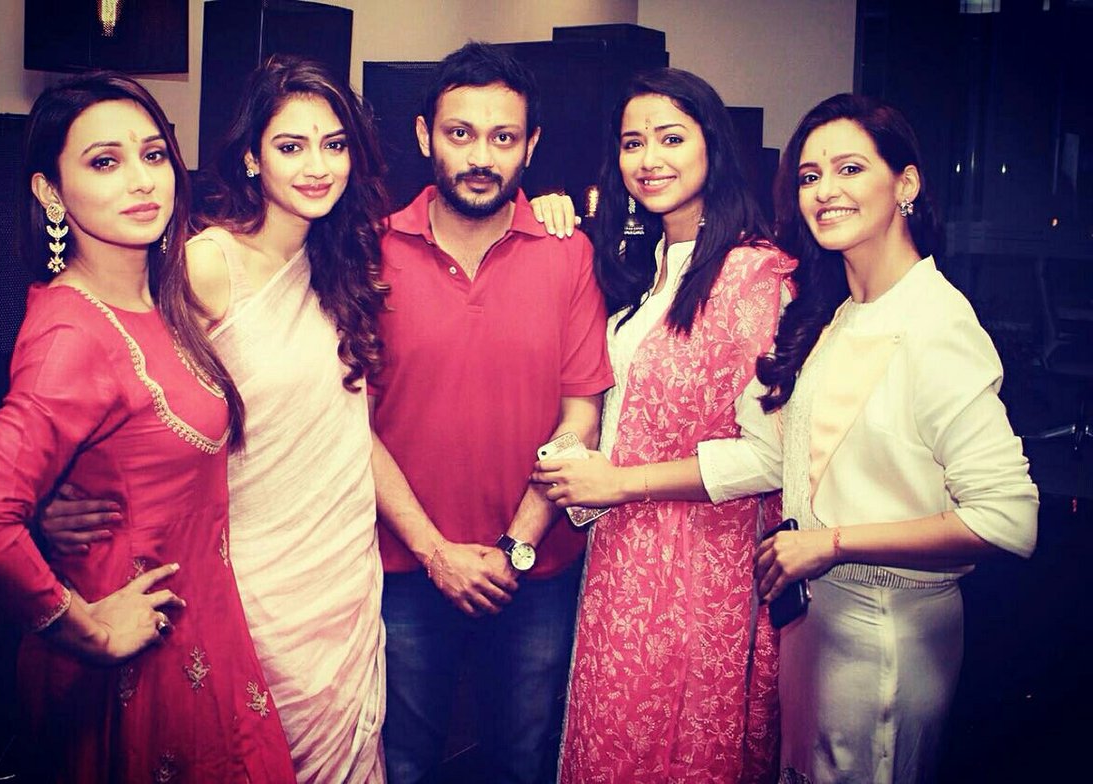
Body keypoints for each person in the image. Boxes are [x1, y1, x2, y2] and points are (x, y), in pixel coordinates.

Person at [547, 92, 1040, 783]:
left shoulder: (933, 322)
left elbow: (1009, 518)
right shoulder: (840, 313)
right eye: (811, 176)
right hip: (811, 609)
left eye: (849, 169)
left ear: (906, 184)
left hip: (883, 617)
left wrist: (828, 541)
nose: (826, 191)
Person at [0, 72, 296, 783]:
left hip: (201, 626)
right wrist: (89, 629)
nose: (141, 180)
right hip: (138, 657)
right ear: (50, 193)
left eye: (154, 155)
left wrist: (50, 501)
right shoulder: (73, 332)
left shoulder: (153, 297)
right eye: (105, 161)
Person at [40, 56, 388, 784]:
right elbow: (119, 387)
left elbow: (349, 425)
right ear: (253, 158)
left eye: (334, 144)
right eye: (291, 146)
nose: (317, 166)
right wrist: (56, 496)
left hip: (345, 573)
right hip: (252, 581)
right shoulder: (209, 265)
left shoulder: (344, 260)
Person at [530, 69, 794, 782]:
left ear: (713, 146)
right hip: (621, 554)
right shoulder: (646, 266)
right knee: (609, 737)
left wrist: (620, 483)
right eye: (632, 143)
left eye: (671, 139)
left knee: (673, 749)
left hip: (702, 566)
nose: (649, 159)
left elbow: (771, 457)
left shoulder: (753, 276)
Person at [370, 42, 614, 784]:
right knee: (404, 763)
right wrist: (436, 554)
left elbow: (580, 416)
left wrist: (515, 548)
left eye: (503, 137)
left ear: (531, 146)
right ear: (425, 136)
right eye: (461, 133)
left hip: (534, 572)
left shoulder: (568, 253)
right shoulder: (371, 251)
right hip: (403, 566)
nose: (481, 156)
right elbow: (351, 426)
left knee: (521, 761)